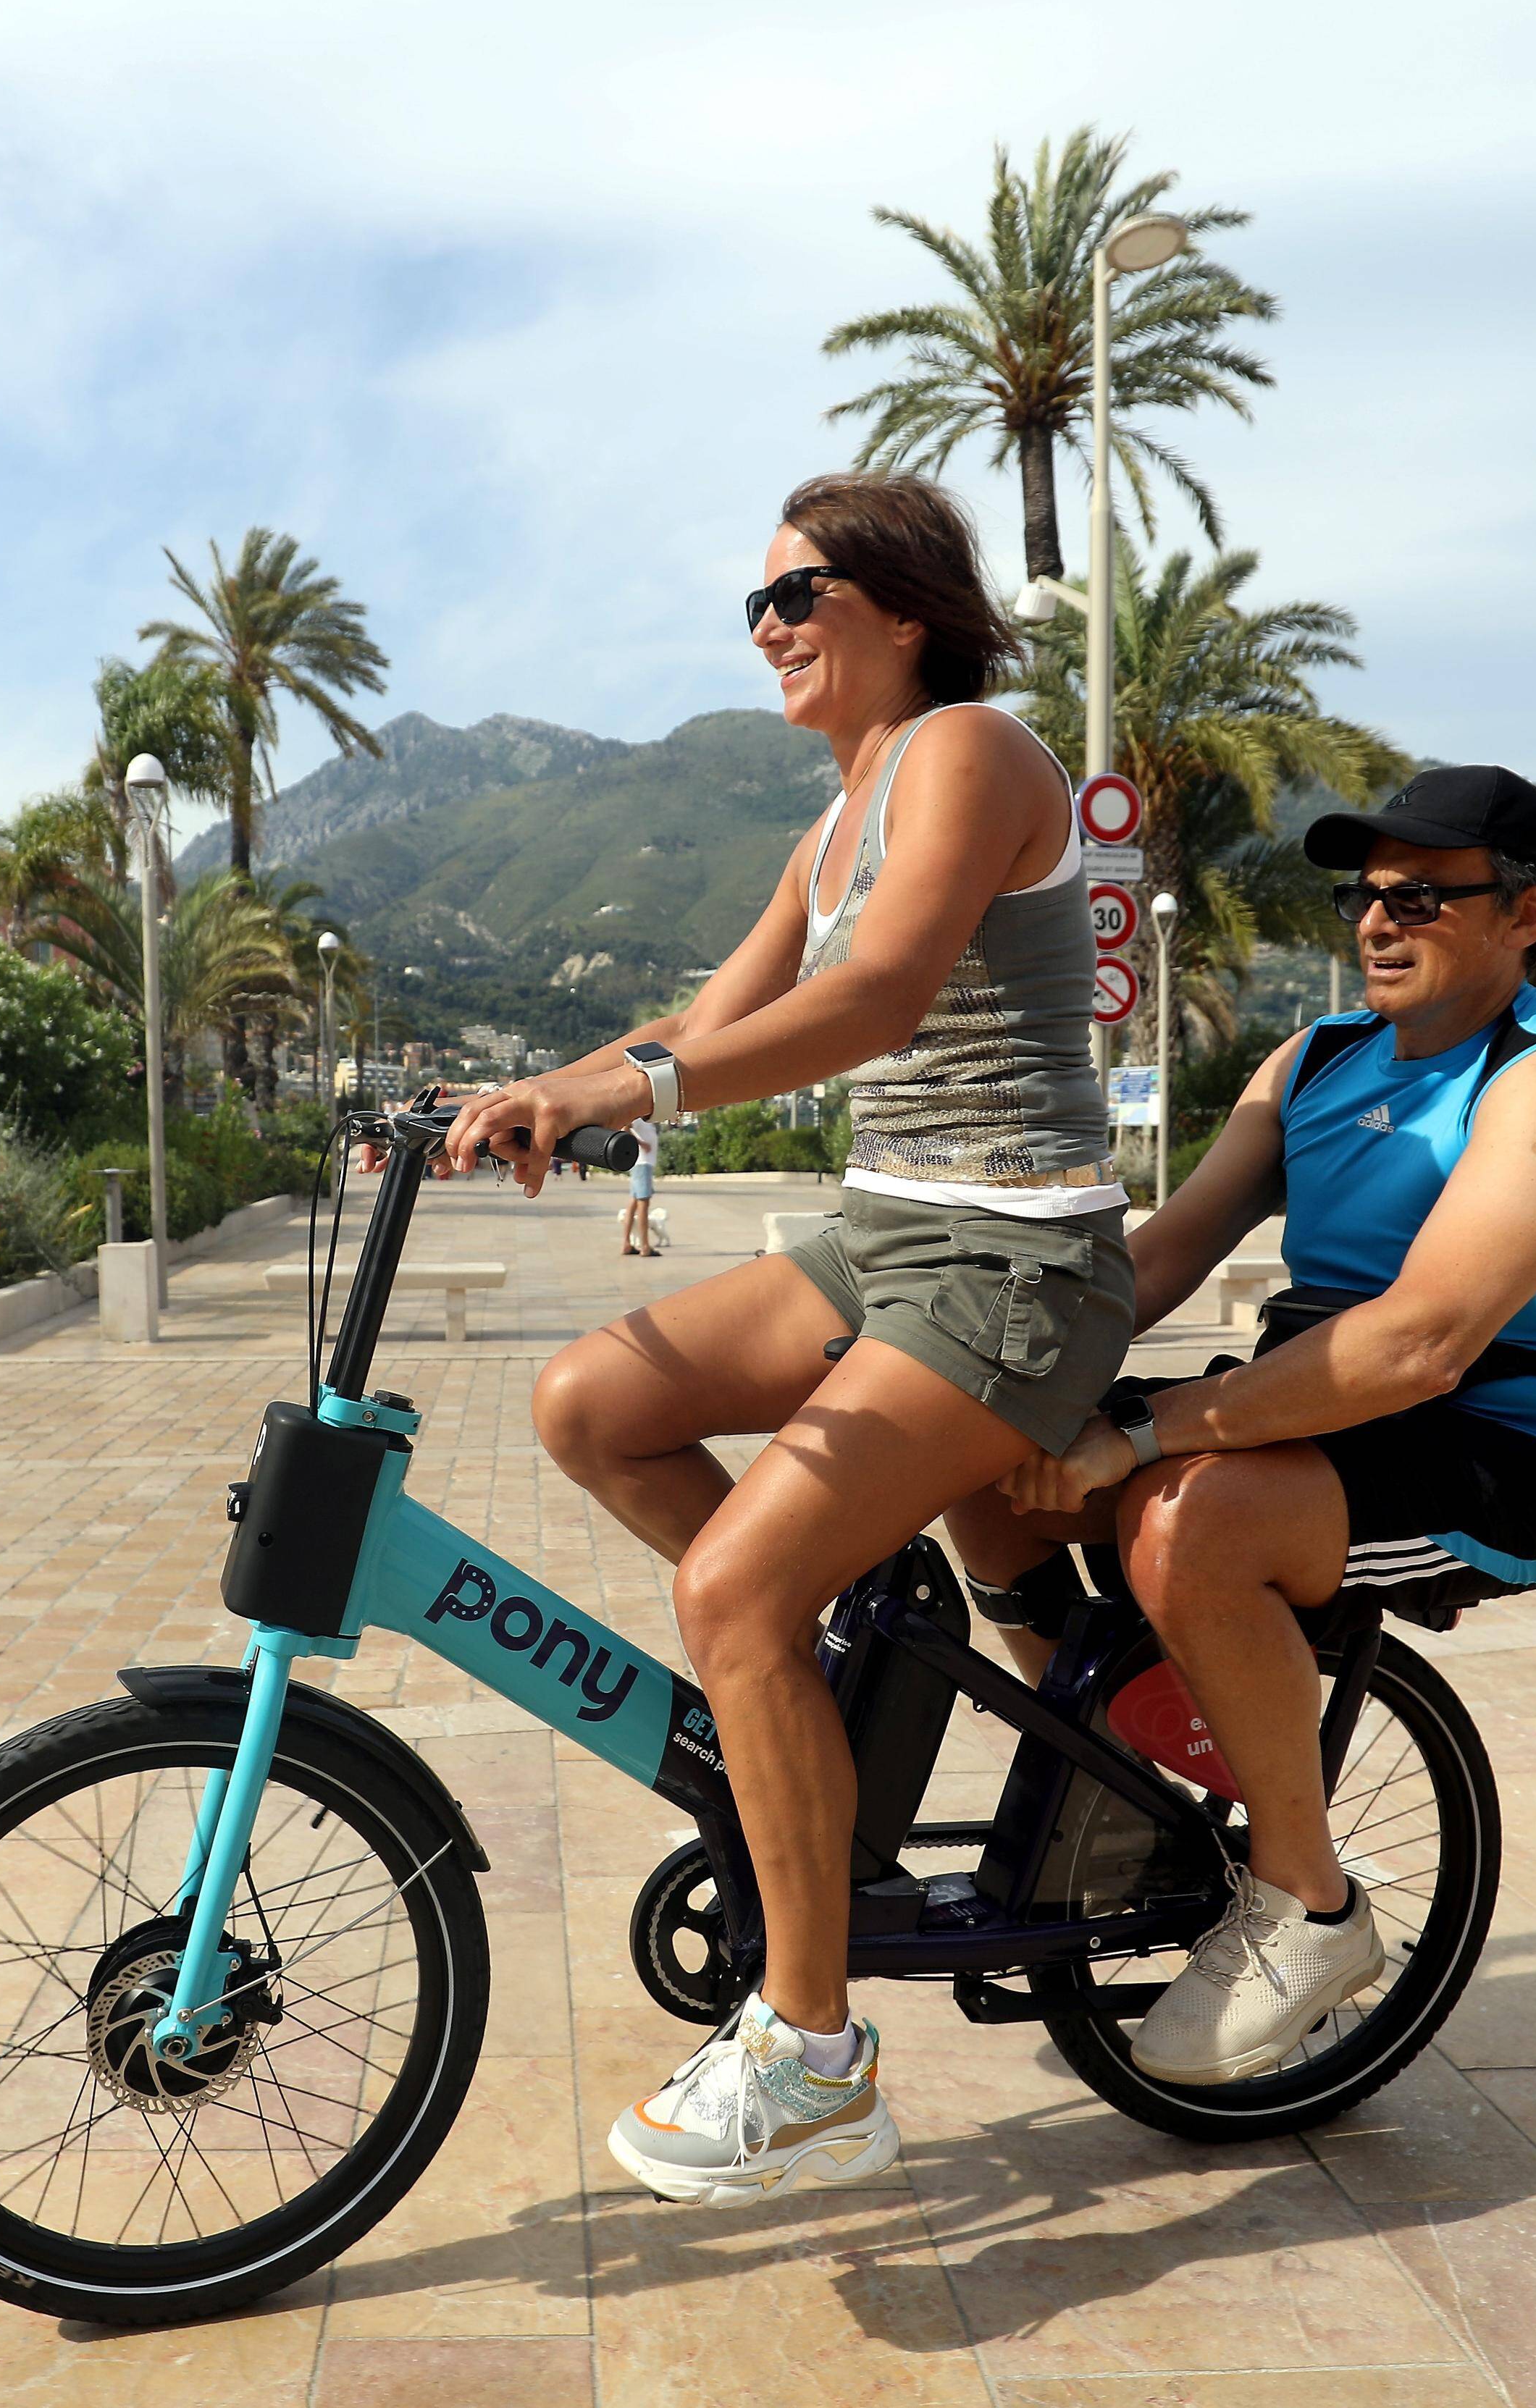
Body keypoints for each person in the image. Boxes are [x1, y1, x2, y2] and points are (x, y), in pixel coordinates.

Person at [443, 471, 1131, 2205]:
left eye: (795, 594)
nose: (766, 630)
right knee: (591, 1401)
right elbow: (713, 1015)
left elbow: (877, 999)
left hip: (1015, 1263)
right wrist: (540, 1090)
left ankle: (816, 2058)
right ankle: (812, 1675)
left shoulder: (970, 752)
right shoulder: (830, 820)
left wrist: (633, 1085)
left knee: (729, 1589)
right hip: (884, 1236)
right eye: (752, 605)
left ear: (903, 608)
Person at [982, 765, 1536, 2085]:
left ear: (1527, 915)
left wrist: (1156, 1430)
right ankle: (1117, 1789)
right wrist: (971, 1351)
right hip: (1318, 1415)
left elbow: (1421, 1341)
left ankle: (1311, 1907)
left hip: (1501, 1443)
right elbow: (1154, 1262)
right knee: (982, 1458)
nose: (1377, 922)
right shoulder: (1317, 1061)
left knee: (1191, 1519)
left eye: (1421, 896)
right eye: (1364, 893)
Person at [618, 1117, 663, 1256]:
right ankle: (645, 1246)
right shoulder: (638, 1116)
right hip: (642, 1163)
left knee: (634, 1203)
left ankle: (626, 1243)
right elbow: (625, 1127)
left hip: (642, 1164)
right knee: (643, 1203)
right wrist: (641, 1144)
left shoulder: (646, 1119)